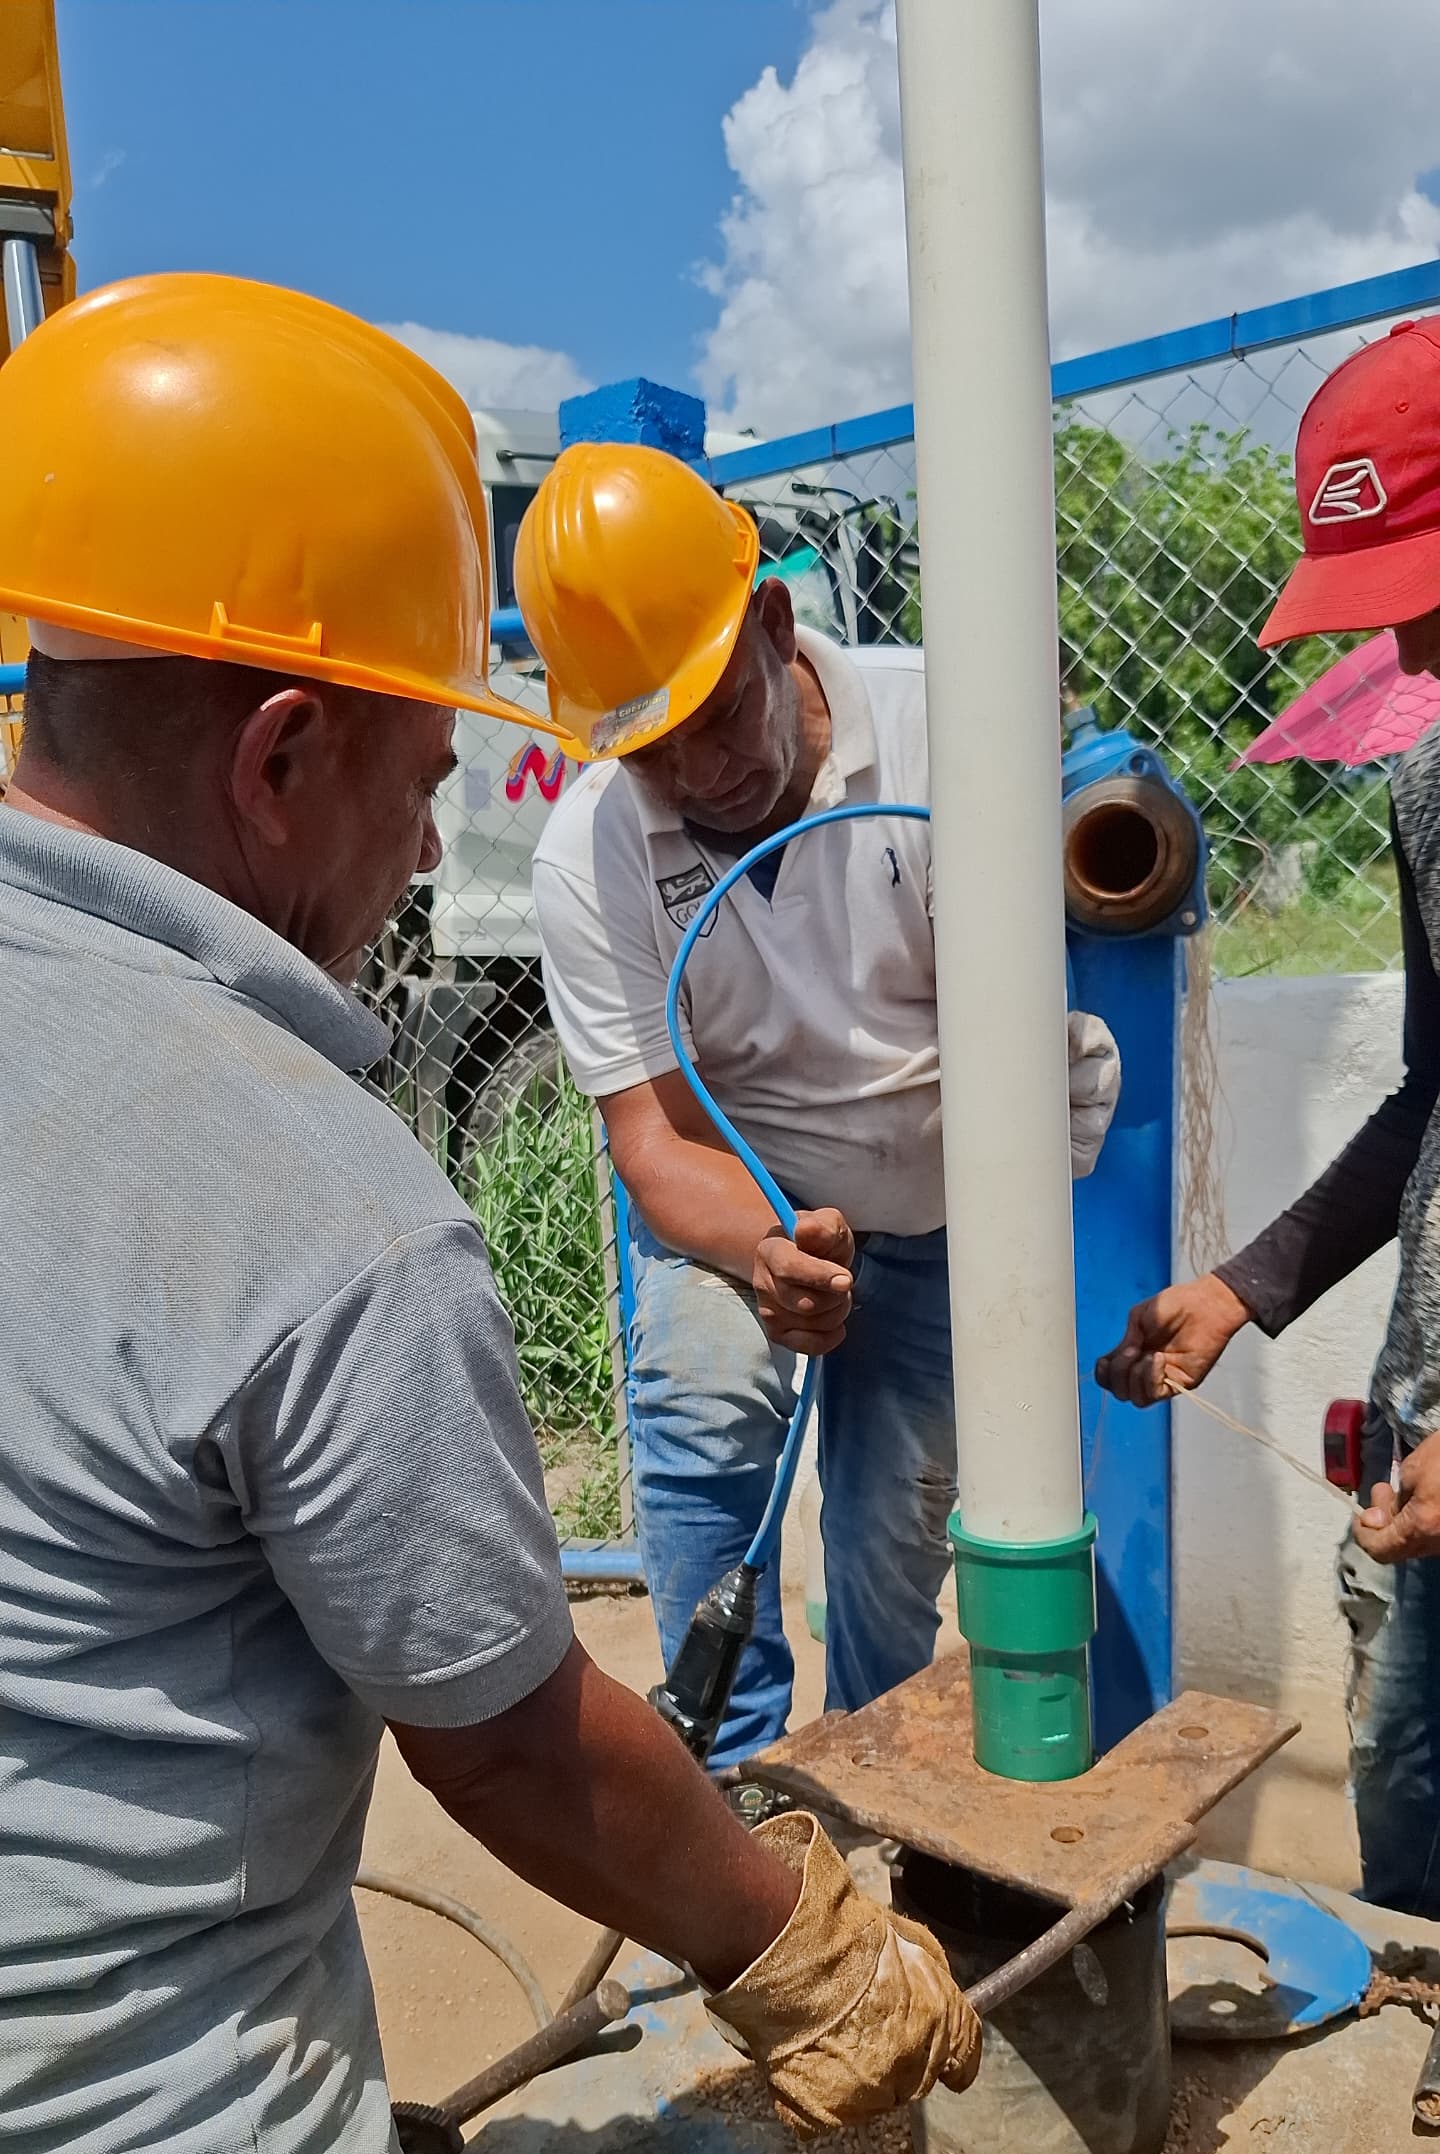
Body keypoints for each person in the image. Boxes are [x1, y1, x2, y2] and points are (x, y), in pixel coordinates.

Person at [0, 276, 981, 2154]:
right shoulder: (309, 1189)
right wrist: (798, 1947)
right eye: (424, 773)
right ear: (278, 760)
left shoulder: (947, 737)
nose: (433, 830)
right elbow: (513, 1739)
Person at [517, 442, 1121, 1768]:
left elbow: (1009, 1016)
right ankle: (730, 1786)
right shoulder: (589, 852)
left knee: (889, 1539)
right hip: (745, 1200)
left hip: (945, 1205)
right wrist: (765, 1248)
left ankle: (869, 1769)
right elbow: (651, 1141)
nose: (701, 773)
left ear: (776, 622)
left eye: (720, 713)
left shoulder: (946, 728)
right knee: (703, 1406)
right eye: (651, 749)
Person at [1098, 312, 1440, 1919]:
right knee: (1409, 1793)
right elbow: (1431, 1093)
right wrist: (1244, 1291)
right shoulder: (1428, 783)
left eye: (1430, 598)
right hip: (1426, 1431)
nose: (1413, 653)